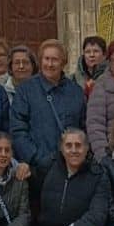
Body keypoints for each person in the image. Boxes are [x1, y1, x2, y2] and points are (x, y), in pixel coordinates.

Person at [11, 39, 86, 176]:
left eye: (55, 60)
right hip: (38, 169)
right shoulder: (26, 90)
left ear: (63, 63)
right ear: (40, 61)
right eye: (46, 59)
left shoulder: (76, 92)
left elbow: (83, 126)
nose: (50, 64)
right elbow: (18, 129)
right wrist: (36, 158)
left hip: (71, 168)